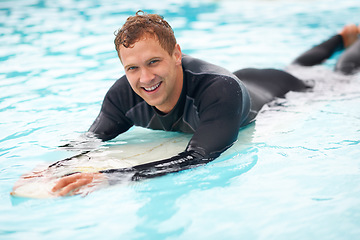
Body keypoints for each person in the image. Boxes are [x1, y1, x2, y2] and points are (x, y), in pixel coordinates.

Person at [51, 11, 360, 196]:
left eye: (154, 62)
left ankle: (351, 41)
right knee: (298, 65)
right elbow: (90, 139)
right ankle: (339, 37)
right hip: (249, 78)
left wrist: (113, 177)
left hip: (283, 90)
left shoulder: (218, 92)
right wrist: (52, 169)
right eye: (132, 68)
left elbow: (198, 157)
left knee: (340, 75)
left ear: (176, 55)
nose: (144, 78)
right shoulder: (122, 95)